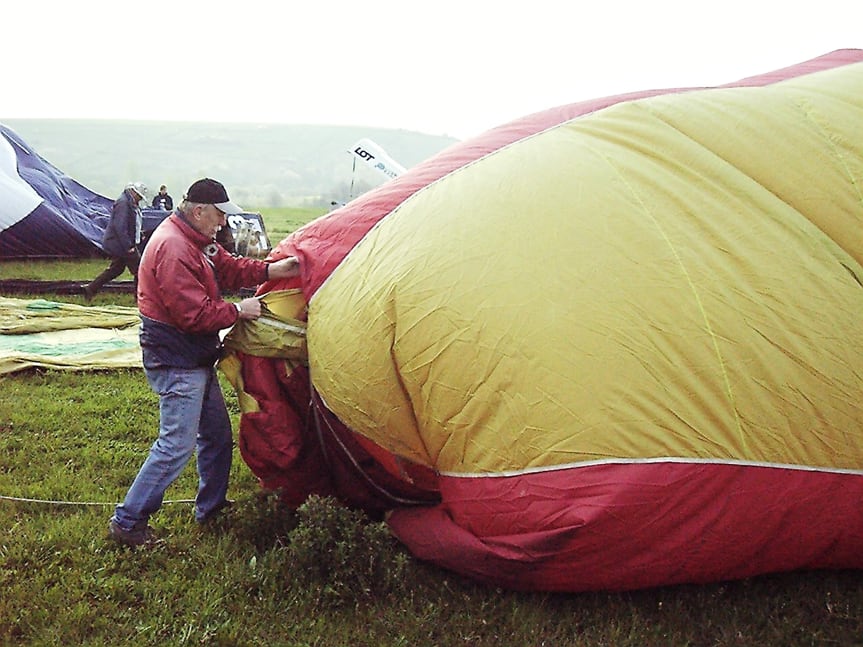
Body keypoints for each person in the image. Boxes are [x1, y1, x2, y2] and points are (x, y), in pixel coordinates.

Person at [108, 178, 301, 547]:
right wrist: (238, 311)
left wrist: (274, 270)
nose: (223, 224)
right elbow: (193, 315)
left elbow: (229, 268)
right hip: (176, 358)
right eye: (218, 216)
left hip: (193, 355)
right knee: (175, 446)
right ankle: (128, 521)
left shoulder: (196, 239)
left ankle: (211, 508)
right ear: (198, 211)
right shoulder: (173, 248)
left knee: (215, 436)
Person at [84, 182, 148, 301]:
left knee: (116, 270)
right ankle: (139, 298)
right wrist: (129, 246)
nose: (139, 199)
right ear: (133, 192)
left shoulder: (128, 202)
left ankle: (91, 288)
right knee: (140, 270)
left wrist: (139, 234)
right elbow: (120, 226)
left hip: (123, 243)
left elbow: (131, 223)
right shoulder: (123, 203)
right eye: (139, 196)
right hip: (122, 244)